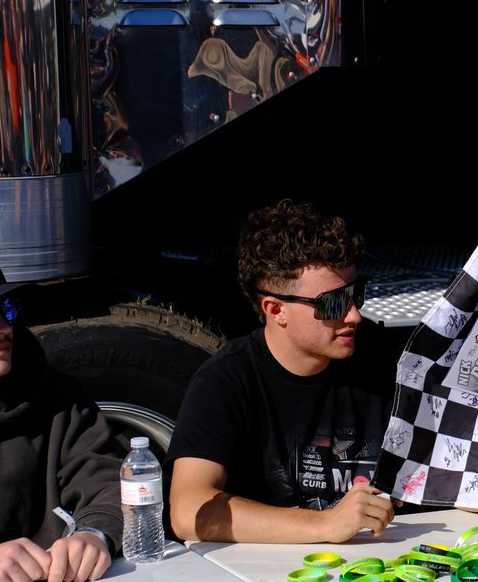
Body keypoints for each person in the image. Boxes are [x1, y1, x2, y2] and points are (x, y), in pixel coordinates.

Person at [166, 200, 395, 543]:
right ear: (275, 310)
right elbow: (188, 511)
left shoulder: (386, 359)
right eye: (333, 302)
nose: (354, 316)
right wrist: (325, 524)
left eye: (356, 294)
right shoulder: (227, 379)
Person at [0, 251, 122, 582]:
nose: (2, 327)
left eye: (8, 307)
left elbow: (108, 480)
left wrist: (95, 535)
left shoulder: (57, 393)